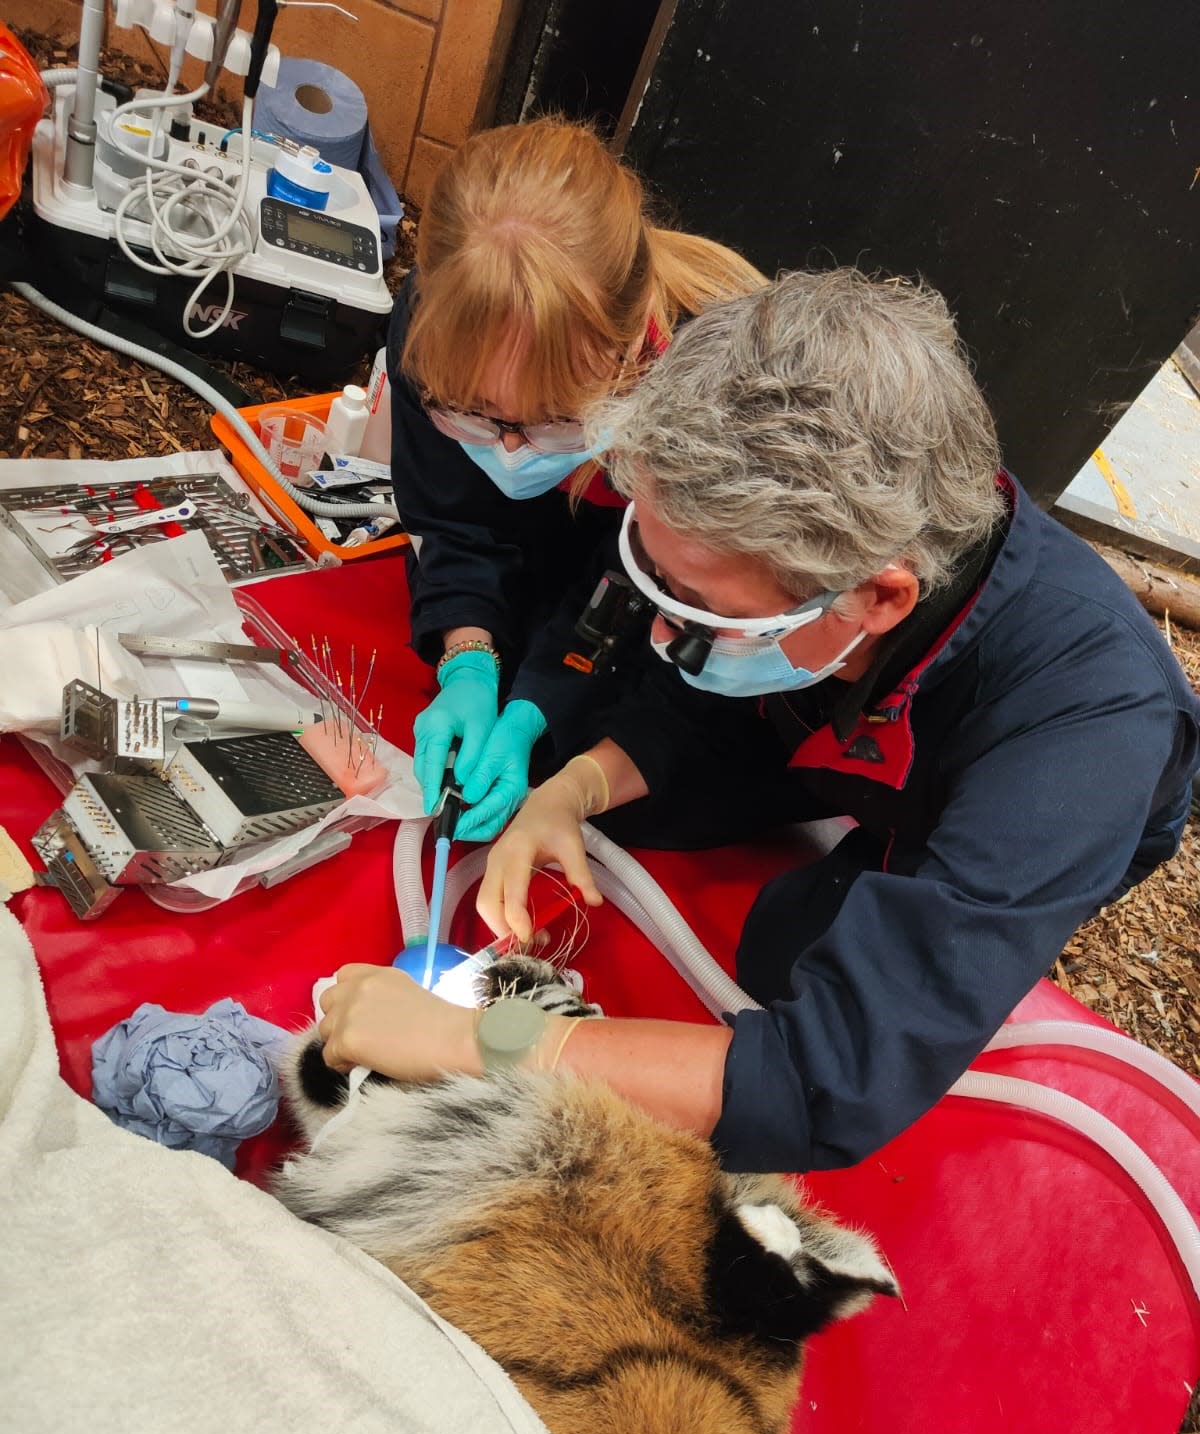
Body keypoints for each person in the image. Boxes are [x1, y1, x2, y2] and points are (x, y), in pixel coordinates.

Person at [324, 268, 1200, 1173]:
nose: (660, 637)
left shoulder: (1084, 734)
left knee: (795, 951)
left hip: (973, 787)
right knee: (637, 790)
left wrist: (485, 1046)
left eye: (701, 614)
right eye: (656, 585)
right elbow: (704, 698)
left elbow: (825, 1086)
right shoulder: (842, 539)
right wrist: (574, 790)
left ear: (879, 597)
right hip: (844, 688)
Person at [387, 117, 764, 840]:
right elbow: (452, 518)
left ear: (630, 349)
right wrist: (469, 655)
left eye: (557, 418)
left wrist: (542, 704)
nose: (511, 449)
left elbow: (664, 594)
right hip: (549, 563)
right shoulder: (434, 333)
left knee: (631, 767)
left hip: (665, 598)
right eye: (476, 413)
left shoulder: (717, 385)